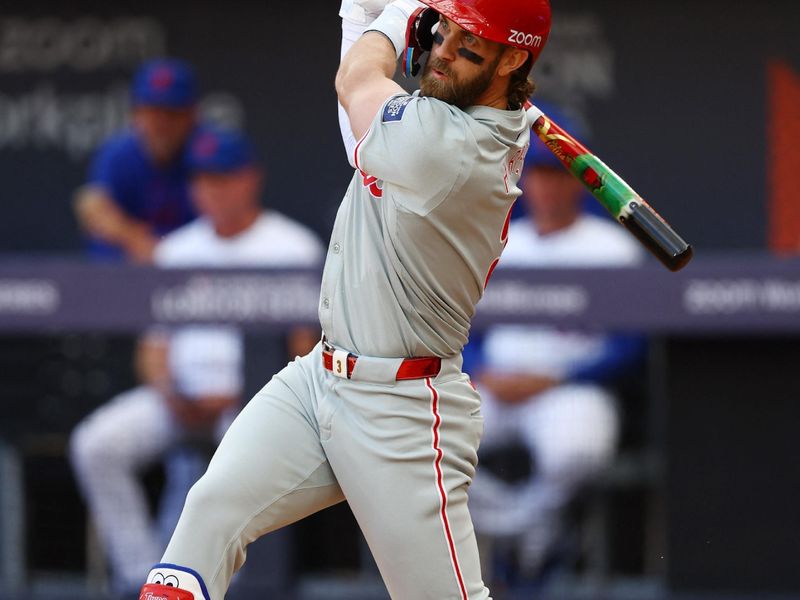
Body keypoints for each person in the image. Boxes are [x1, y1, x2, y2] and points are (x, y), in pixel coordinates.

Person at [138, 1, 551, 599]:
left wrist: (395, 14)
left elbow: (357, 80)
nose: (440, 51)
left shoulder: (455, 149)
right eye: (444, 31)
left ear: (513, 58)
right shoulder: (432, 124)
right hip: (317, 382)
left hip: (404, 409)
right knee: (208, 514)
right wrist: (356, 17)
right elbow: (360, 126)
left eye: (469, 46)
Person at [69, 127, 324, 596]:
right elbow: (153, 350)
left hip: (255, 401)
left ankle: (228, 580)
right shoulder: (176, 250)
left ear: (250, 179)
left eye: (224, 177)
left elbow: (305, 355)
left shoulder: (292, 246)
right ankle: (143, 576)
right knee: (96, 443)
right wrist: (169, 392)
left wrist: (246, 397)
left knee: (245, 449)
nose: (213, 189)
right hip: (180, 398)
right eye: (203, 179)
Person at [465, 106, 645, 580]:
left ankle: (524, 534)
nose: (546, 186)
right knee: (420, 436)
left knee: (578, 451)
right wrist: (482, 369)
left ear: (582, 181)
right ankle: (531, 528)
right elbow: (463, 330)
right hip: (497, 387)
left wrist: (556, 377)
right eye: (539, 174)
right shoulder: (498, 242)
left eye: (558, 174)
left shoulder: (613, 248)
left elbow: (631, 348)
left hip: (568, 388)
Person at [73, 58, 200, 262]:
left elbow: (221, 232)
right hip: (123, 278)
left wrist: (158, 252)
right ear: (136, 113)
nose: (162, 124)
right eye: (153, 112)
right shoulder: (117, 155)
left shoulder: (207, 152)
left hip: (195, 278)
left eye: (172, 113)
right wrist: (134, 238)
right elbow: (94, 211)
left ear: (192, 114)